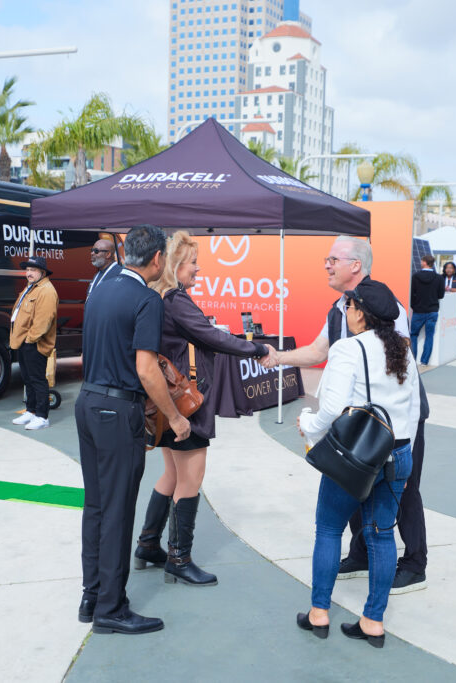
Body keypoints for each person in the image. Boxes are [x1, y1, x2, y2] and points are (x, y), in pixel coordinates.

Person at [261, 237, 430, 594]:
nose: (326, 265)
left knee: (404, 489)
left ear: (356, 265)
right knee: (353, 479)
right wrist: (276, 357)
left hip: (394, 422)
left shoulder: (387, 306)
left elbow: (400, 366)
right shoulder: (338, 308)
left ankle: (415, 563)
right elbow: (318, 351)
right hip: (355, 422)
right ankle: (361, 554)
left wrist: (402, 434)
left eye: (332, 259)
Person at [133, 231, 270, 587]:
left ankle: (148, 544)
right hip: (185, 402)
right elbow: (212, 337)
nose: (198, 269)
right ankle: (179, 558)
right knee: (190, 479)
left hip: (164, 401)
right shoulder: (176, 300)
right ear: (176, 265)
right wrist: (256, 349)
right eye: (193, 262)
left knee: (171, 475)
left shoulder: (154, 297)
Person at [76, 224, 190, 636]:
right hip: (115, 408)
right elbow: (146, 369)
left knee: (97, 506)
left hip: (87, 402)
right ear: (158, 258)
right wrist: (175, 418)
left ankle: (92, 596)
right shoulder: (146, 299)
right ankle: (111, 607)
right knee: (119, 512)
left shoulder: (102, 285)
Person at [295, 279, 420, 647]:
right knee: (382, 537)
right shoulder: (403, 349)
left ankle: (319, 613)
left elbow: (332, 408)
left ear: (361, 312)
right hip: (397, 452)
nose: (345, 312)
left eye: (348, 306)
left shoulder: (348, 349)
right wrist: (405, 454)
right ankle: (373, 621)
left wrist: (307, 424)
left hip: (356, 455)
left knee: (330, 529)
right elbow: (412, 409)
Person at [9, 256, 59, 430]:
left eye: (33, 270)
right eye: (27, 270)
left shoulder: (46, 290)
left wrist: (30, 339)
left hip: (34, 343)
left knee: (37, 380)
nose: (28, 273)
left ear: (42, 272)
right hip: (24, 342)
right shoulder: (31, 288)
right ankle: (31, 411)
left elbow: (43, 321)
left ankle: (42, 416)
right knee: (28, 379)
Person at [409, 255, 444, 365]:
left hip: (418, 310)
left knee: (414, 335)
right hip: (432, 310)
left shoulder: (415, 277)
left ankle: (413, 360)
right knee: (429, 336)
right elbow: (441, 295)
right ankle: (424, 361)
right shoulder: (439, 278)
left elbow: (412, 294)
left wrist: (414, 306)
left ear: (424, 262)